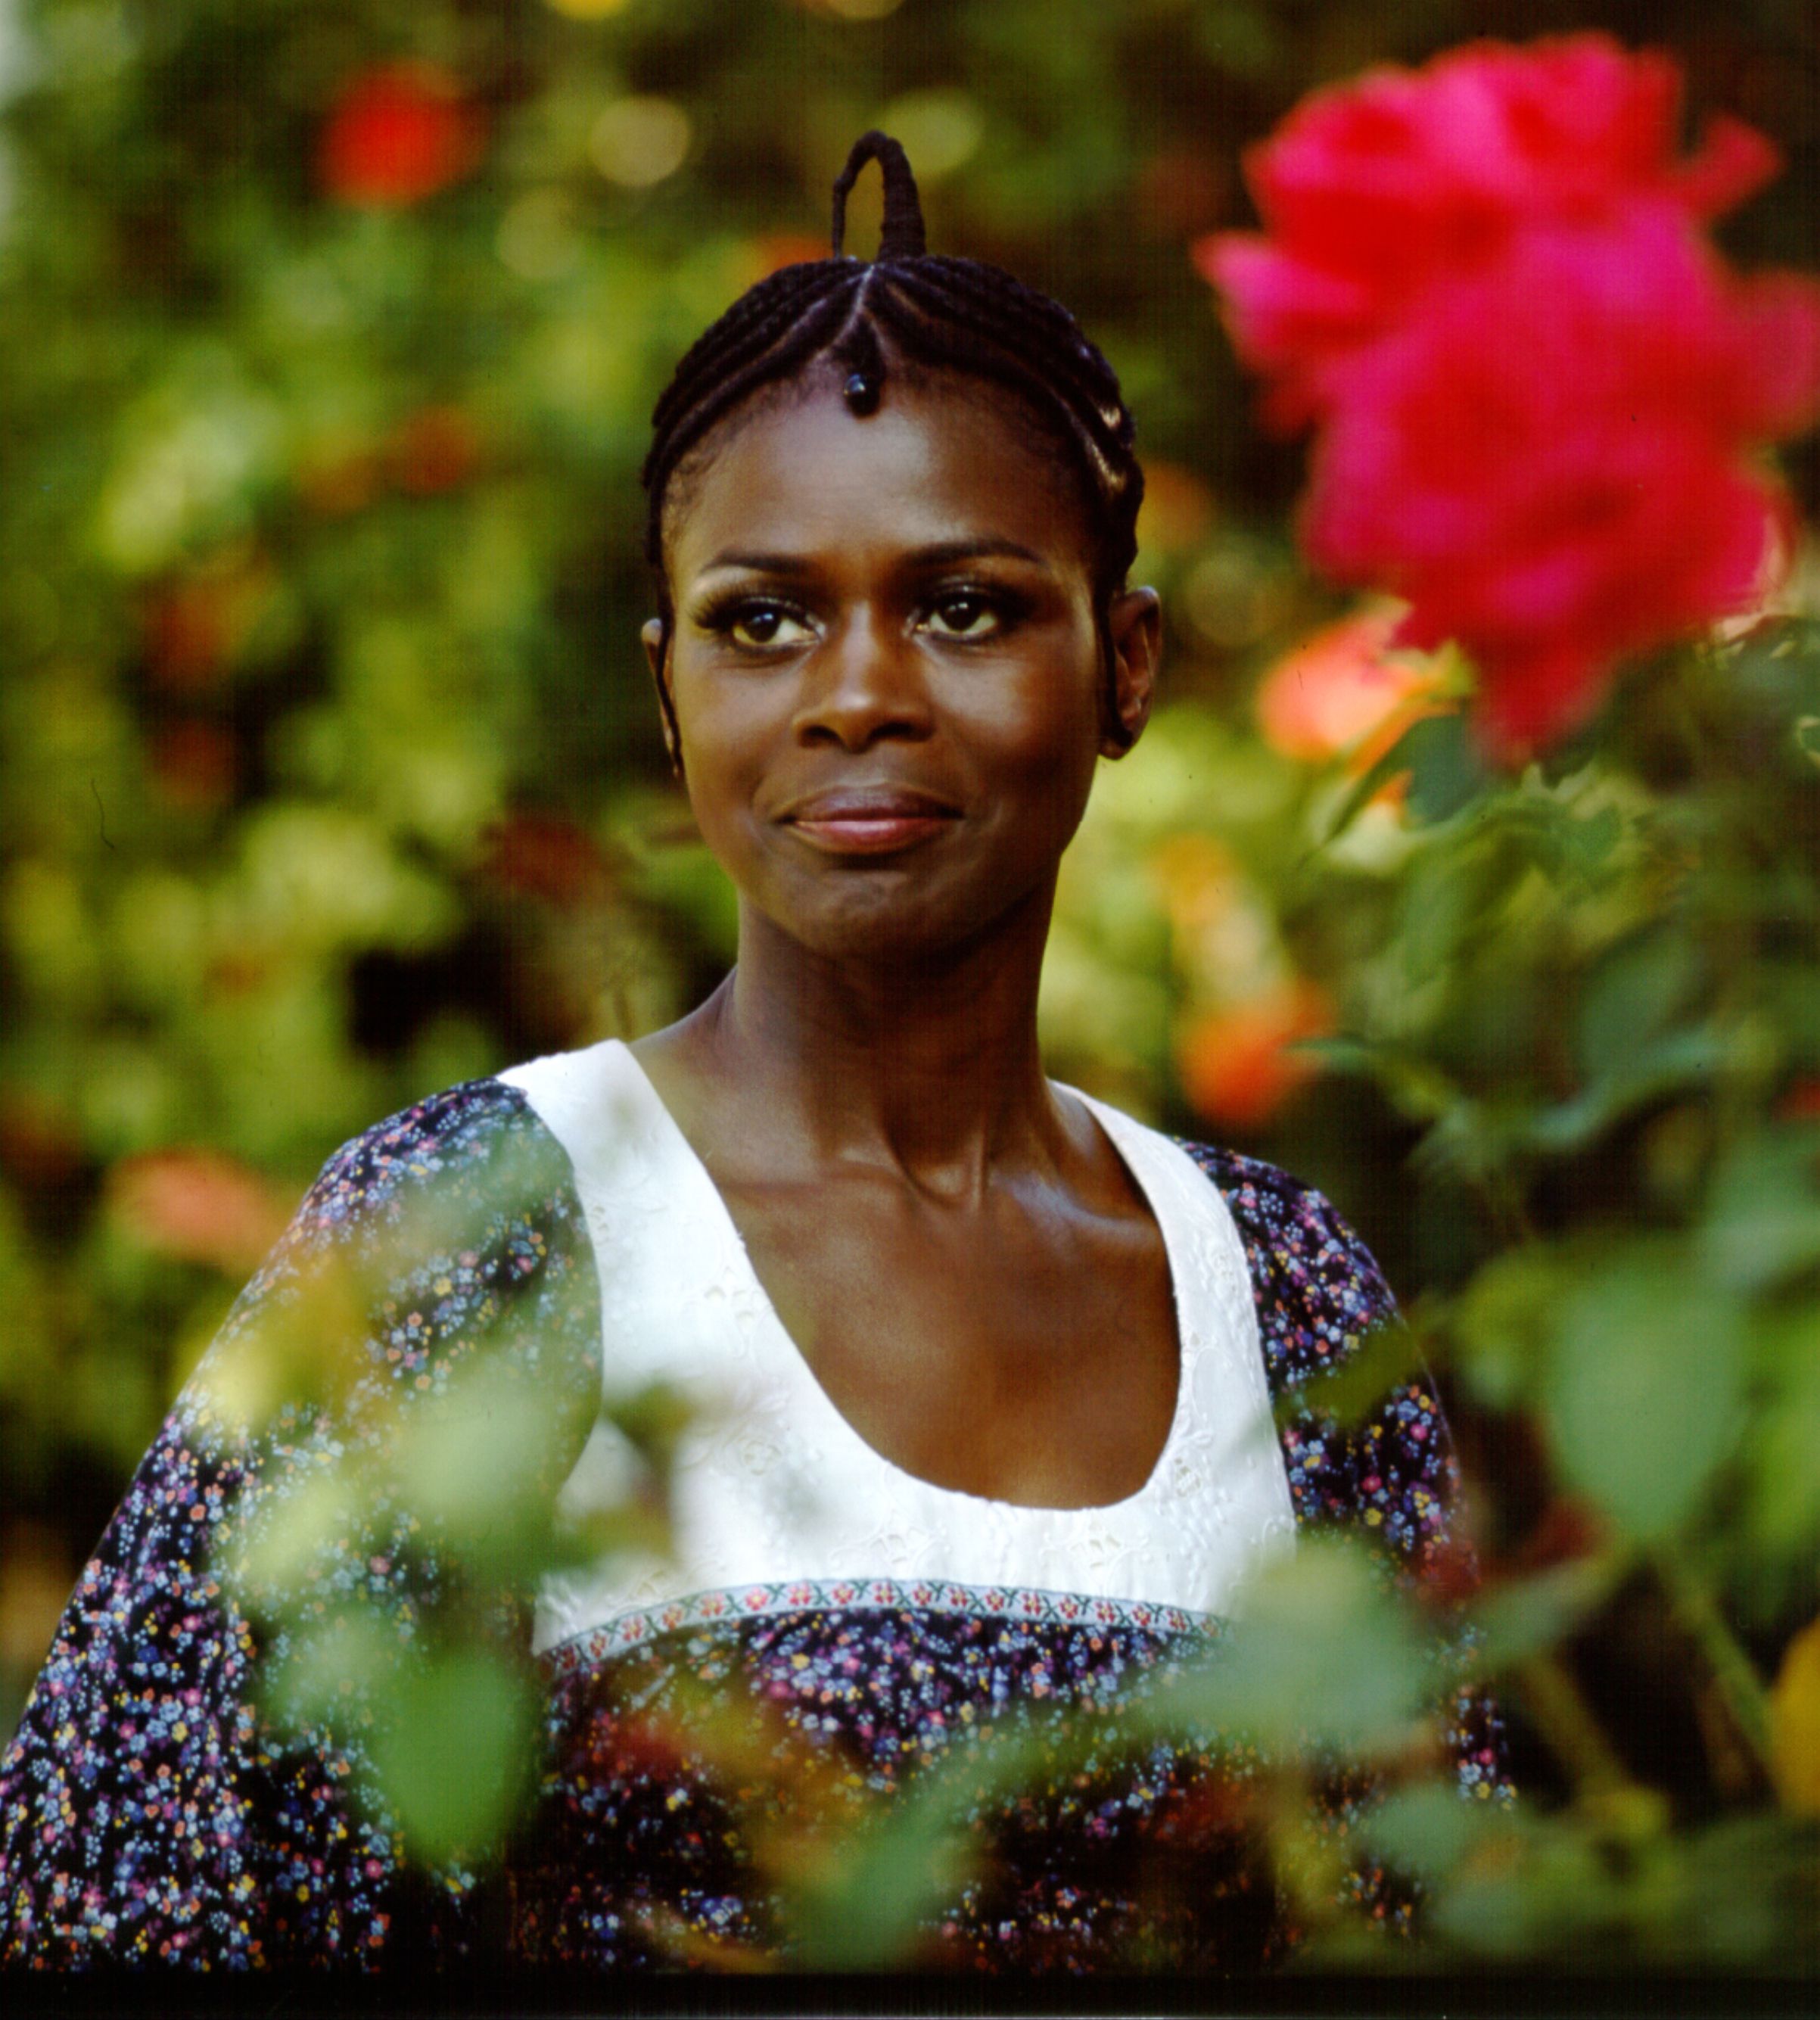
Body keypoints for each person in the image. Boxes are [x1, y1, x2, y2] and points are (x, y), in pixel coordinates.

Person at [0, 133, 1505, 1975]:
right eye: (762, 621)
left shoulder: (1282, 1289)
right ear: (668, 694)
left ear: (1124, 666)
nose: (856, 691)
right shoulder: (491, 1230)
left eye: (964, 607)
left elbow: (1455, 1920)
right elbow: (129, 1901)